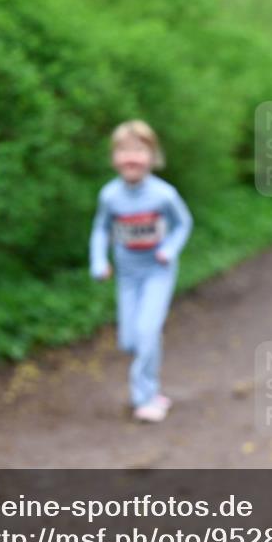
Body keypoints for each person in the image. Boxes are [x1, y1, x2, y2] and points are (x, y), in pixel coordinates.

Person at [90, 121, 192, 422]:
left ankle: (145, 399)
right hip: (127, 275)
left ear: (152, 156)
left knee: (147, 332)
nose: (131, 157)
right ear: (114, 158)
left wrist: (170, 249)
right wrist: (98, 260)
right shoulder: (109, 196)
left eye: (139, 150)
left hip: (158, 272)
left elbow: (183, 224)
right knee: (131, 341)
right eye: (123, 151)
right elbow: (100, 230)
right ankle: (153, 387)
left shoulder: (164, 195)